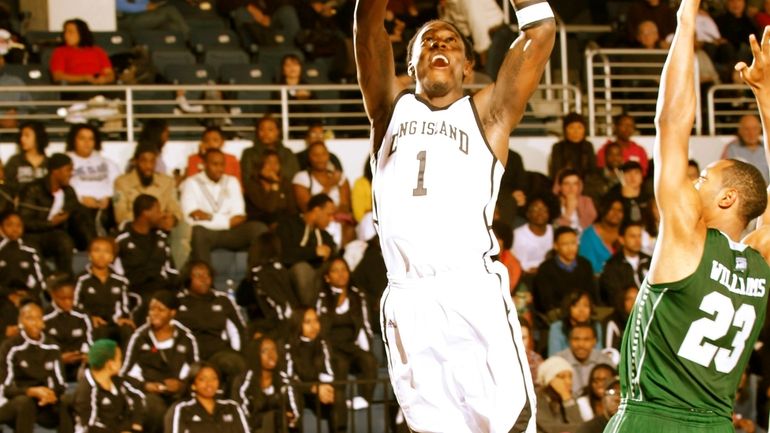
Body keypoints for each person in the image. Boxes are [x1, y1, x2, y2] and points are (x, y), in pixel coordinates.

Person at [355, 0, 555, 427]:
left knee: (508, 425)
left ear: (467, 68)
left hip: (470, 289)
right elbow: (366, 22)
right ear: (410, 65)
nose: (439, 44)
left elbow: (540, 31)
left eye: (451, 42)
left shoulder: (488, 113)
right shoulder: (389, 109)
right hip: (407, 297)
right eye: (428, 42)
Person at [604, 1, 770, 431]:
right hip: (716, 424)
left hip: (651, 418)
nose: (693, 184)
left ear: (729, 199)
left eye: (705, 181)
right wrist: (766, 98)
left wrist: (685, 17)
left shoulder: (685, 238)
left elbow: (671, 122)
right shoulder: (761, 259)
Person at [120, 290, 199, 433]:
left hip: (179, 394)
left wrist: (181, 385)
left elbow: (198, 372)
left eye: (160, 310)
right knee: (153, 407)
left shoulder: (186, 337)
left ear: (172, 313)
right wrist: (144, 385)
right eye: (152, 309)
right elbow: (122, 374)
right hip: (149, 395)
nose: (154, 313)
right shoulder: (139, 337)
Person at [180, 148, 266, 266]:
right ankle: (206, 280)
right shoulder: (191, 182)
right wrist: (226, 221)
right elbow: (193, 215)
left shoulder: (232, 181)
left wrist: (209, 217)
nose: (219, 168)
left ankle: (257, 275)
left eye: (222, 164)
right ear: (204, 165)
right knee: (198, 233)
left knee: (258, 228)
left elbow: (239, 216)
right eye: (215, 164)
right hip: (206, 232)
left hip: (230, 232)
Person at [176, 261, 247, 391]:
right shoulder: (178, 302)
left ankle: (235, 404)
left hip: (218, 353)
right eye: (198, 275)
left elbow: (239, 330)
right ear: (188, 278)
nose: (204, 279)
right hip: (189, 355)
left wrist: (239, 352)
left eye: (207, 275)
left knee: (234, 363)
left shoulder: (223, 300)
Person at [316, 257, 378, 408]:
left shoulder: (358, 296)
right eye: (335, 271)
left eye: (344, 270)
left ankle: (365, 399)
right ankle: (339, 407)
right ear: (327, 277)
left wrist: (365, 347)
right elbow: (319, 329)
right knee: (340, 364)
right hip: (332, 347)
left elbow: (366, 324)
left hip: (351, 345)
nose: (341, 274)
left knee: (369, 360)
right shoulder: (322, 298)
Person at [0, 300, 68, 433]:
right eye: (30, 318)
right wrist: (31, 391)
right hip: (15, 403)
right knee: (25, 403)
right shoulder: (10, 346)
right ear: (21, 321)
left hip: (45, 403)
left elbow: (61, 384)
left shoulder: (52, 347)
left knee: (67, 402)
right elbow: (6, 389)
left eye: (38, 318)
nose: (36, 323)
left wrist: (50, 394)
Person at [114, 194, 179, 322]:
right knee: (150, 301)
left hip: (161, 288)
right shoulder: (121, 240)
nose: (161, 215)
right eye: (158, 211)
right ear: (146, 213)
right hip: (134, 290)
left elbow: (171, 269)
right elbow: (115, 275)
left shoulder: (161, 237)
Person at [283, 307, 347, 432]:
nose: (314, 326)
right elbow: (288, 378)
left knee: (337, 395)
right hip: (298, 390)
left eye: (316, 320)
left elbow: (328, 372)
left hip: (317, 392)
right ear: (298, 323)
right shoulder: (288, 346)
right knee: (293, 396)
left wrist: (323, 387)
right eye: (308, 322)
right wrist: (313, 388)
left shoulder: (322, 343)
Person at [17, 153, 78, 274]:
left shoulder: (69, 192)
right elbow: (24, 221)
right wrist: (50, 223)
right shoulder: (33, 189)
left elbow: (73, 214)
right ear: (56, 171)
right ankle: (46, 278)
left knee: (64, 240)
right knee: (31, 246)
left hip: (54, 234)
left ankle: (65, 278)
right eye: (68, 170)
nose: (71, 174)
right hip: (31, 235)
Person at [276, 193, 337, 307]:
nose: (331, 219)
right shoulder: (288, 225)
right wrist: (314, 252)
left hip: (318, 276)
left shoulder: (324, 234)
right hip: (292, 275)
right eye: (329, 215)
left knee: (337, 268)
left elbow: (333, 251)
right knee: (302, 269)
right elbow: (284, 254)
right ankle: (310, 311)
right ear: (317, 210)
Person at [65, 123, 120, 248]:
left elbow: (118, 184)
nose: (87, 143)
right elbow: (65, 186)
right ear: (74, 140)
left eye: (91, 139)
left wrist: (109, 198)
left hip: (105, 205)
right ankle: (95, 249)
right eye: (82, 138)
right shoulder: (67, 160)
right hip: (80, 206)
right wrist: (81, 199)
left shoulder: (106, 162)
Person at [73, 339, 145, 433]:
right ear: (110, 364)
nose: (121, 362)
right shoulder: (86, 390)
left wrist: (137, 422)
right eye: (119, 359)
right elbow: (90, 425)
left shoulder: (118, 380)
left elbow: (138, 396)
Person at [74, 236, 135, 347]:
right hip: (92, 322)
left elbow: (125, 305)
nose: (101, 255)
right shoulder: (81, 279)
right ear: (89, 255)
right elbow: (75, 305)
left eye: (106, 251)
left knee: (127, 330)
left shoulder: (121, 281)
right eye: (97, 250)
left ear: (112, 257)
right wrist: (89, 318)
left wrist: (125, 318)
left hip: (115, 323)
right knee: (99, 332)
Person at [165, 362, 249, 433]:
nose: (209, 383)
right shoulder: (182, 409)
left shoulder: (232, 407)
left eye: (214, 378)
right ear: (193, 385)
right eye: (202, 379)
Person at [114, 143, 181, 231]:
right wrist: (151, 220)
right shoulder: (122, 182)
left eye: (152, 161)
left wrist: (173, 219)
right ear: (136, 161)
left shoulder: (167, 182)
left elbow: (176, 211)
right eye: (144, 161)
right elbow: (120, 216)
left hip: (161, 229)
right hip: (134, 230)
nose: (148, 166)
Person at [533, 227, 597, 317]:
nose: (570, 248)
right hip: (559, 314)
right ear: (556, 246)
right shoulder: (545, 269)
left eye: (573, 243)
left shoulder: (585, 265)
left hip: (584, 312)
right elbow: (546, 302)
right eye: (565, 244)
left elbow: (592, 294)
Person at [233, 336, 291, 432]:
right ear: (256, 355)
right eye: (264, 351)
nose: (271, 355)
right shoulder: (243, 382)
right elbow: (240, 415)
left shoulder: (284, 380)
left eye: (274, 350)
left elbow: (293, 412)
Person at [43, 273, 93, 382]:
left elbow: (90, 341)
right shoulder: (44, 317)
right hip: (54, 365)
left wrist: (87, 355)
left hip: (79, 365)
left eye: (71, 298)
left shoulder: (83, 316)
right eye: (63, 299)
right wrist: (59, 358)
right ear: (53, 295)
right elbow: (41, 349)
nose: (68, 302)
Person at [243, 149, 297, 231]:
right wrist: (274, 184)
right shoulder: (252, 184)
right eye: (268, 162)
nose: (272, 166)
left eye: (276, 163)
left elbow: (291, 209)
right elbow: (269, 208)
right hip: (260, 221)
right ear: (260, 165)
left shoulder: (285, 183)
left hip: (283, 221)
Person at [599, 222, 650, 307]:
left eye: (639, 236)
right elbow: (614, 296)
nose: (637, 241)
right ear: (621, 240)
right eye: (633, 236)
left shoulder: (650, 261)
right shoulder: (612, 266)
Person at [49, 18, 115, 85]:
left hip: (100, 85)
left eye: (70, 32)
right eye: (65, 32)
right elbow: (57, 76)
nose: (66, 35)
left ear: (81, 33)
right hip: (76, 87)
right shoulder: (60, 52)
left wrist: (104, 79)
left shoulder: (97, 51)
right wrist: (84, 78)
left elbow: (109, 74)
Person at [555, 323, 613, 398]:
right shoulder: (557, 361)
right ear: (569, 341)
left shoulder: (605, 362)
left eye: (586, 339)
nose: (581, 344)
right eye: (576, 339)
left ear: (594, 341)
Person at [241, 115, 300, 184]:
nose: (265, 133)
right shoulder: (249, 153)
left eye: (270, 130)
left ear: (278, 131)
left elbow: (294, 177)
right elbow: (247, 178)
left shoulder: (287, 153)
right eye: (261, 129)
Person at [0, 212, 46, 301]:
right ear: (1, 227)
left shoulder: (31, 249)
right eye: (9, 225)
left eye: (18, 225)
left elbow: (40, 277)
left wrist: (29, 294)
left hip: (28, 297)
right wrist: (8, 294)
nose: (15, 229)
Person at [547, 290, 604, 357]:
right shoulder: (557, 327)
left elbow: (598, 353)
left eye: (586, 306)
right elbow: (554, 356)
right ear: (568, 308)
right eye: (576, 306)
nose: (581, 310)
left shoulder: (596, 326)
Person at [535, 355, 583, 433]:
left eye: (570, 377)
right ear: (549, 380)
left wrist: (567, 399)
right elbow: (552, 428)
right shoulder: (537, 397)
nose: (568, 382)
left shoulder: (570, 397)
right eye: (562, 377)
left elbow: (581, 427)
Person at [578, 198, 624, 275]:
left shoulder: (627, 234)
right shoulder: (589, 235)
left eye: (620, 210)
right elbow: (588, 266)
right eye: (611, 209)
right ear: (603, 210)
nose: (616, 213)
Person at [721, 114, 769, 183]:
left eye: (755, 129)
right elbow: (724, 174)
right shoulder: (731, 149)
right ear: (740, 131)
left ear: (760, 130)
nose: (751, 133)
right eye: (747, 129)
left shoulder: (767, 147)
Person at [548, 112, 597, 179]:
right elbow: (556, 172)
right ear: (565, 130)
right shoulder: (558, 147)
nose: (576, 131)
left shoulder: (588, 146)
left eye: (579, 127)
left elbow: (593, 171)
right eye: (571, 127)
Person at [5, 121, 48, 195]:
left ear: (38, 136)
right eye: (21, 135)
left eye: (27, 135)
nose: (22, 139)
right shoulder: (15, 161)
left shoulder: (49, 163)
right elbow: (8, 187)